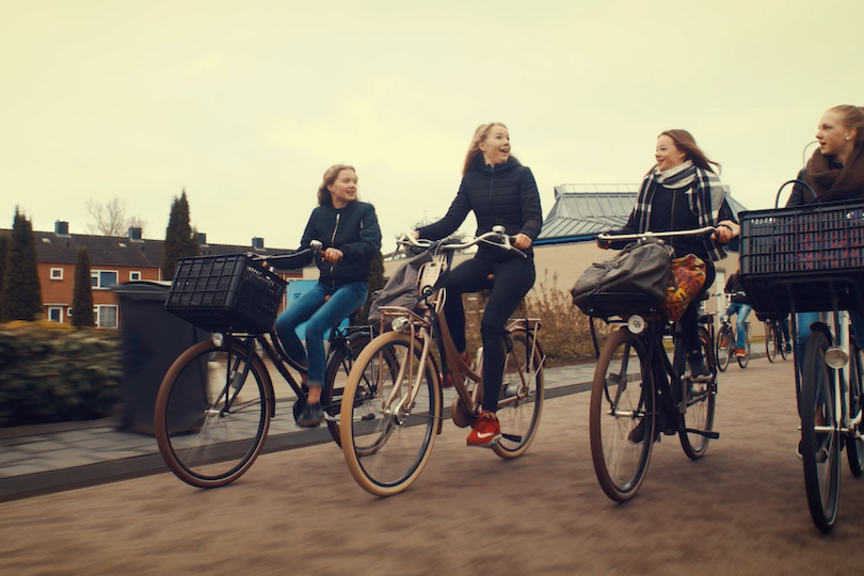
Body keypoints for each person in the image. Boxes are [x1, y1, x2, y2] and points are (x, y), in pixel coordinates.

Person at [413, 122, 543, 448]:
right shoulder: (471, 180)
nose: (506, 141)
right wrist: (418, 233)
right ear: (482, 145)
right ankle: (459, 357)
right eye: (499, 137)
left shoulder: (522, 175)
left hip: (516, 260)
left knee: (491, 324)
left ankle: (489, 416)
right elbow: (451, 221)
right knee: (445, 288)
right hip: (485, 257)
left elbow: (534, 216)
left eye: (508, 137)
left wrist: (526, 234)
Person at [598, 129, 739, 380]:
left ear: (682, 151)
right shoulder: (651, 185)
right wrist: (611, 239)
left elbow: (727, 220)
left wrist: (725, 230)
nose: (657, 154)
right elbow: (634, 229)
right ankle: (652, 379)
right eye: (656, 149)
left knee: (680, 288)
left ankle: (695, 357)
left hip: (695, 264)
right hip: (657, 265)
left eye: (663, 148)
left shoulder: (705, 183)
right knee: (637, 298)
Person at [274, 164, 382, 427]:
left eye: (354, 180)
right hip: (324, 285)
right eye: (346, 180)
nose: (352, 185)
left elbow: (372, 245)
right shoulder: (318, 214)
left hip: (353, 287)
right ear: (331, 186)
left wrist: (343, 252)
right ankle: (308, 375)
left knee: (314, 328)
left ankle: (313, 401)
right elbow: (303, 251)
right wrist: (271, 262)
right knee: (282, 324)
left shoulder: (364, 211)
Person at [785, 105, 864, 366]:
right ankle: (816, 392)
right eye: (819, 127)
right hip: (815, 266)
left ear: (850, 133)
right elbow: (788, 218)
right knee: (806, 336)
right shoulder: (807, 175)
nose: (818, 134)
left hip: (858, 267)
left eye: (827, 127)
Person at [723, 270, 751, 358]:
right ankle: (728, 339)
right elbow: (726, 288)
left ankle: (741, 348)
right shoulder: (733, 277)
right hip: (734, 303)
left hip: (745, 304)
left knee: (739, 322)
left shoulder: (748, 278)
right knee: (723, 317)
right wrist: (728, 293)